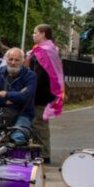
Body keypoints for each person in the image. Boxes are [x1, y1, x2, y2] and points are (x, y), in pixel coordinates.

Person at [27, 24, 65, 163]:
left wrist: (32, 89)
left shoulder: (45, 50)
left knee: (39, 123)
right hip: (41, 92)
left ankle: (43, 153)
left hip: (42, 93)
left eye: (35, 32)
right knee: (36, 123)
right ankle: (38, 151)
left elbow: (42, 74)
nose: (33, 35)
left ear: (43, 34)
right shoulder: (43, 49)